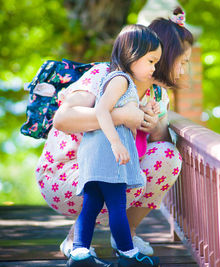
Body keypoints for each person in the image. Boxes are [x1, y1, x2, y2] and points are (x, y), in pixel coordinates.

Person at [34, 7, 193, 258]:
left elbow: (157, 150)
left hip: (112, 169)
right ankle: (77, 239)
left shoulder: (157, 95)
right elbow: (63, 119)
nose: (184, 71)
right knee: (115, 176)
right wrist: (122, 115)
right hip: (66, 174)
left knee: (167, 156)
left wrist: (152, 124)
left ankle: (125, 236)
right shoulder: (103, 75)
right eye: (182, 62)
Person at [66, 24, 162, 267]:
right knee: (117, 205)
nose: (154, 68)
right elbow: (101, 110)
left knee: (93, 204)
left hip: (96, 152)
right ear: (133, 53)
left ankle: (79, 254)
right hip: (107, 152)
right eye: (151, 61)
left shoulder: (120, 82)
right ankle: (129, 255)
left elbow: (118, 111)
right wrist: (117, 143)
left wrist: (142, 110)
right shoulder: (120, 79)